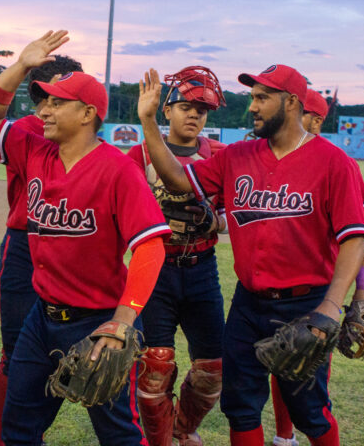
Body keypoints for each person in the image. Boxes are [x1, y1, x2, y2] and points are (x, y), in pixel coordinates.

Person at [136, 64, 364, 446]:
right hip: (247, 305)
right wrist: (148, 123)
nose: (253, 108)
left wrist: (331, 305)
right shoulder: (238, 156)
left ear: (291, 102)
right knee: (240, 407)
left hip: (305, 304)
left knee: (309, 411)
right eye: (253, 98)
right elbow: (180, 179)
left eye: (262, 98)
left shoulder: (333, 162)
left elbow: (354, 239)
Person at [0, 30, 170, 446]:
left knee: (119, 436)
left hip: (97, 323)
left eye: (58, 102)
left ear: (87, 114)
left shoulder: (117, 170)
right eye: (44, 100)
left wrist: (122, 321)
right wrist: (21, 64)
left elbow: (150, 246)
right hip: (40, 320)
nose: (45, 109)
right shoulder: (34, 151)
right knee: (18, 429)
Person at [268, 87, 364, 446]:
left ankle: (302, 434)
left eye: (309, 118)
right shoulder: (277, 157)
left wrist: (361, 290)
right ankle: (284, 437)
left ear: (315, 119)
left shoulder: (336, 163)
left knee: (310, 378)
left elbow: (362, 240)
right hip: (272, 288)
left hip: (319, 291)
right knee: (278, 361)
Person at [127, 66, 228, 446]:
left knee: (213, 369)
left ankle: (184, 430)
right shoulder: (137, 155)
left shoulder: (219, 154)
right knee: (155, 367)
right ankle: (161, 441)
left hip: (202, 269)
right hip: (156, 270)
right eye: (185, 106)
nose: (193, 116)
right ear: (166, 110)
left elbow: (232, 213)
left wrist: (215, 220)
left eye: (201, 111)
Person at [0, 54, 84, 446]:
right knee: (16, 357)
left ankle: (27, 434)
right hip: (25, 243)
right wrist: (22, 65)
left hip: (72, 245)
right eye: (61, 90)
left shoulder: (81, 130)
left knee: (64, 354)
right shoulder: (30, 127)